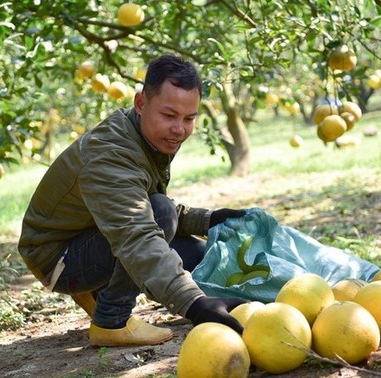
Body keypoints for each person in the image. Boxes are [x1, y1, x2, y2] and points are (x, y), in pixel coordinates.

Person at [18, 53, 248, 347]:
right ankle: (111, 321)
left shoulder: (147, 137)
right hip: (58, 259)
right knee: (162, 215)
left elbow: (137, 202)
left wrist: (207, 219)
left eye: (189, 118)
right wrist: (193, 304)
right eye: (169, 115)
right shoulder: (110, 152)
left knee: (203, 259)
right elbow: (136, 233)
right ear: (141, 104)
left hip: (94, 233)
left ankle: (98, 292)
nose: (179, 129)